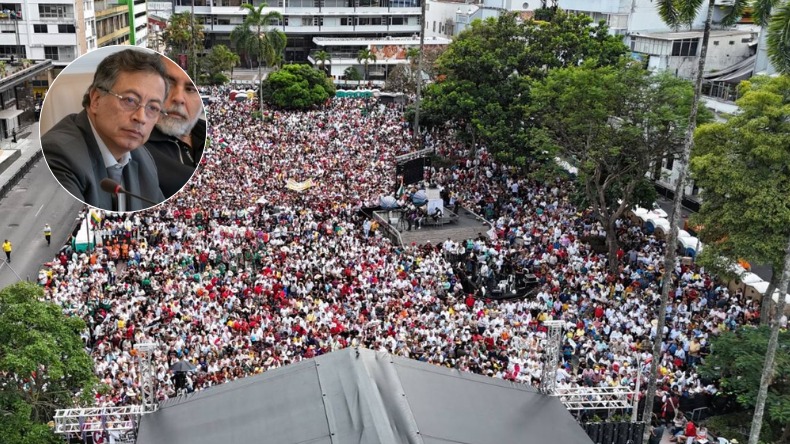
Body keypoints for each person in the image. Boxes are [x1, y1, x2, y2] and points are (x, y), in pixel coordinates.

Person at [42, 48, 168, 211]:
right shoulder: (60, 155)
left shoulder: (143, 159)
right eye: (130, 100)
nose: (141, 117)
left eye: (153, 107)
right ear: (96, 99)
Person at [145, 56, 206, 198]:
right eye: (168, 84)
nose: (178, 98)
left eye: (190, 89)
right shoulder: (132, 148)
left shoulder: (206, 133)